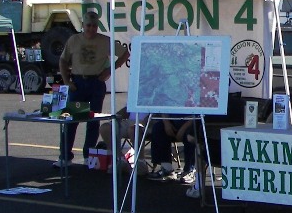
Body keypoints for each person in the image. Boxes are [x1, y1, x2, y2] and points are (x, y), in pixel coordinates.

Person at [54, 10, 129, 168]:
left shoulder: (104, 41)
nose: (91, 29)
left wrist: (109, 70)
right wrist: (67, 81)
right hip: (78, 83)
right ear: (83, 25)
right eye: (88, 25)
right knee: (71, 121)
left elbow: (124, 54)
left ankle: (89, 156)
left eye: (94, 26)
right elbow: (62, 61)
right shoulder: (74, 40)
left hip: (96, 83)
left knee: (93, 121)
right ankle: (65, 157)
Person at [147, 117, 197, 184]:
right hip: (172, 121)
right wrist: (166, 122)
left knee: (191, 133)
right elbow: (164, 108)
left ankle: (189, 170)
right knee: (158, 127)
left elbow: (198, 115)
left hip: (192, 122)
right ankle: (167, 169)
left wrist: (183, 129)